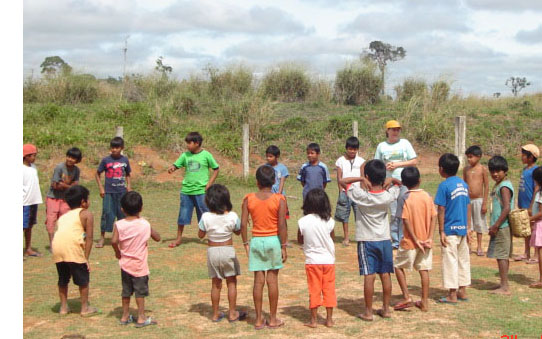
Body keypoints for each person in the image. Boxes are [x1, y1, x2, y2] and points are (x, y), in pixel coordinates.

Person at [340, 159, 402, 321]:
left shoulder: (360, 195)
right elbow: (399, 184)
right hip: (385, 239)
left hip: (366, 240)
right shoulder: (388, 196)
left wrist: (360, 179)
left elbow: (342, 181)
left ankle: (368, 312)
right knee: (385, 274)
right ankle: (386, 309)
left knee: (369, 275)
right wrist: (391, 180)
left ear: (367, 176)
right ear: (383, 177)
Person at [241, 165, 288, 330]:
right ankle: (273, 318)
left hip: (256, 240)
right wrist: (283, 245)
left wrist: (245, 243)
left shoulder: (248, 198)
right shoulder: (279, 199)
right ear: (274, 181)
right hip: (273, 241)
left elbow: (243, 224)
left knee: (258, 281)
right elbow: (282, 224)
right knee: (272, 280)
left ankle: (259, 319)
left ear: (257, 182)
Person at [198, 184, 247, 323]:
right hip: (227, 250)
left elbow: (200, 235)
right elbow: (238, 231)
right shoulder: (232, 216)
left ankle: (215, 314)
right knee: (231, 282)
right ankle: (232, 313)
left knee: (216, 283)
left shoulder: (206, 216)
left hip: (212, 251)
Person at [112, 191, 161, 327]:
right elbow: (157, 238)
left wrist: (117, 252)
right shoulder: (144, 224)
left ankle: (125, 316)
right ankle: (141, 317)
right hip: (139, 266)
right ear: (141, 208)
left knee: (126, 292)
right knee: (140, 293)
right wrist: (146, 223)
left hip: (125, 264)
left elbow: (114, 240)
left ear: (122, 209)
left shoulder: (119, 224)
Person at [393, 167, 437, 312]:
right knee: (424, 270)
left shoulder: (404, 197)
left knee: (398, 266)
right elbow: (433, 216)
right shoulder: (427, 195)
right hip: (426, 241)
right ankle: (424, 302)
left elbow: (405, 220)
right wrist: (429, 237)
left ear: (404, 183)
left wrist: (416, 239)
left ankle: (407, 296)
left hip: (410, 241)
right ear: (420, 180)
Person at [52, 185, 98, 316]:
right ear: (83, 202)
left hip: (57, 248)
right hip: (72, 248)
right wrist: (86, 258)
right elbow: (89, 238)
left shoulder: (63, 217)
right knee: (83, 280)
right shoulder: (86, 214)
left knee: (63, 278)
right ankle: (84, 308)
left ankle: (63, 308)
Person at [168, 132, 219, 248]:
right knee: (183, 215)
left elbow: (216, 169)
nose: (187, 145)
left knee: (206, 215)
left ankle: (211, 238)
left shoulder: (206, 155)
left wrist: (209, 184)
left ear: (197, 143)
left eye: (189, 143)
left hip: (201, 191)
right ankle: (178, 239)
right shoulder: (185, 155)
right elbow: (177, 165)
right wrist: (172, 168)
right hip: (186, 191)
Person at [374, 120, 418, 249]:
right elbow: (377, 164)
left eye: (398, 129)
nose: (396, 132)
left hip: (405, 181)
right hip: (389, 183)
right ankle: (395, 241)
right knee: (393, 213)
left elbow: (414, 161)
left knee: (404, 211)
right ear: (387, 131)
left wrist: (397, 164)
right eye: (393, 129)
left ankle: (404, 237)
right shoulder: (381, 146)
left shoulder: (405, 143)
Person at [434, 153, 471, 304]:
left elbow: (441, 209)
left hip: (450, 230)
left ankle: (452, 294)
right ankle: (462, 290)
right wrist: (468, 227)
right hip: (463, 229)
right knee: (463, 260)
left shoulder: (444, 186)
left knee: (450, 261)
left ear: (441, 169)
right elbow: (468, 205)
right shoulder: (463, 184)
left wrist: (441, 230)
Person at [297, 188, 336, 328]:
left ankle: (313, 320)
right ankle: (329, 319)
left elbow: (300, 240)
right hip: (328, 261)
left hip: (312, 261)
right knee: (329, 289)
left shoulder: (303, 221)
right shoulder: (329, 221)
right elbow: (331, 238)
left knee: (314, 289)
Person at [95, 137, 131, 248]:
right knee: (106, 213)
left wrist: (129, 186)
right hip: (109, 192)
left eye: (117, 147)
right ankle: (102, 238)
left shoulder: (125, 160)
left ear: (122, 148)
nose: (114, 150)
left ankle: (121, 237)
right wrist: (101, 188)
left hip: (121, 192)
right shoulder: (106, 160)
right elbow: (97, 174)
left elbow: (128, 174)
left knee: (122, 214)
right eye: (112, 147)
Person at [486, 156, 515, 295]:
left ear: (505, 171)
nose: (495, 174)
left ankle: (504, 286)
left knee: (502, 255)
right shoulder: (500, 185)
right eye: (492, 171)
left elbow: (506, 207)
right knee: (501, 255)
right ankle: (503, 283)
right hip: (500, 226)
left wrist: (496, 225)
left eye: (498, 171)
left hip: (502, 226)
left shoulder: (504, 187)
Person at [45, 147, 82, 250]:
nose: (70, 159)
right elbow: (55, 185)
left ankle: (63, 241)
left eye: (73, 158)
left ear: (77, 161)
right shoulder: (59, 167)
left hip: (66, 199)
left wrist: (63, 185)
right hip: (53, 197)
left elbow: (75, 184)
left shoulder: (76, 170)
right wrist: (69, 186)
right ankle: (52, 244)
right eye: (69, 156)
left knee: (65, 220)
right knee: (51, 220)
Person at [334, 136, 365, 247]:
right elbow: (339, 177)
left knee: (359, 216)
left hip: (357, 192)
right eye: (350, 149)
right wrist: (341, 190)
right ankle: (346, 237)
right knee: (344, 216)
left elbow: (362, 177)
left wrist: (362, 191)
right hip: (345, 192)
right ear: (346, 148)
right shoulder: (340, 161)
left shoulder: (361, 161)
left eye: (355, 149)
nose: (352, 151)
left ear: (357, 149)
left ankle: (360, 237)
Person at [515, 144, 539, 263]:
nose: (522, 157)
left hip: (531, 204)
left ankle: (536, 254)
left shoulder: (535, 171)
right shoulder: (525, 170)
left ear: (530, 157)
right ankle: (526, 252)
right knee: (526, 229)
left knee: (534, 229)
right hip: (523, 203)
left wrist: (531, 205)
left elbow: (536, 189)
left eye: (524, 155)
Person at [463, 145, 489, 256]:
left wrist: (484, 203)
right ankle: (469, 246)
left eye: (471, 157)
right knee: (469, 224)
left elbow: (486, 186)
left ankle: (479, 246)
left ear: (479, 157)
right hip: (468, 200)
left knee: (479, 223)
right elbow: (464, 184)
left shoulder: (482, 169)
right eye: (468, 157)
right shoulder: (466, 169)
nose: (469, 159)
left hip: (479, 200)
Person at [265, 145, 292, 247]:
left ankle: (285, 240)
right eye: (267, 156)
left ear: (277, 157)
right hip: (268, 196)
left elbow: (282, 181)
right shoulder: (265, 167)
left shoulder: (282, 168)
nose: (268, 158)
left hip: (279, 197)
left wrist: (279, 194)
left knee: (283, 218)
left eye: (271, 156)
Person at [23, 144, 43, 257]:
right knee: (22, 226)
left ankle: (28, 248)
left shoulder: (33, 167)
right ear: (25, 156)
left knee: (29, 226)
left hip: (33, 201)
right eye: (32, 155)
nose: (34, 158)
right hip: (23, 202)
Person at [528, 167, 542, 288]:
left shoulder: (540, 193)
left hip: (540, 224)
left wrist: (529, 219)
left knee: (540, 252)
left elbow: (541, 212)